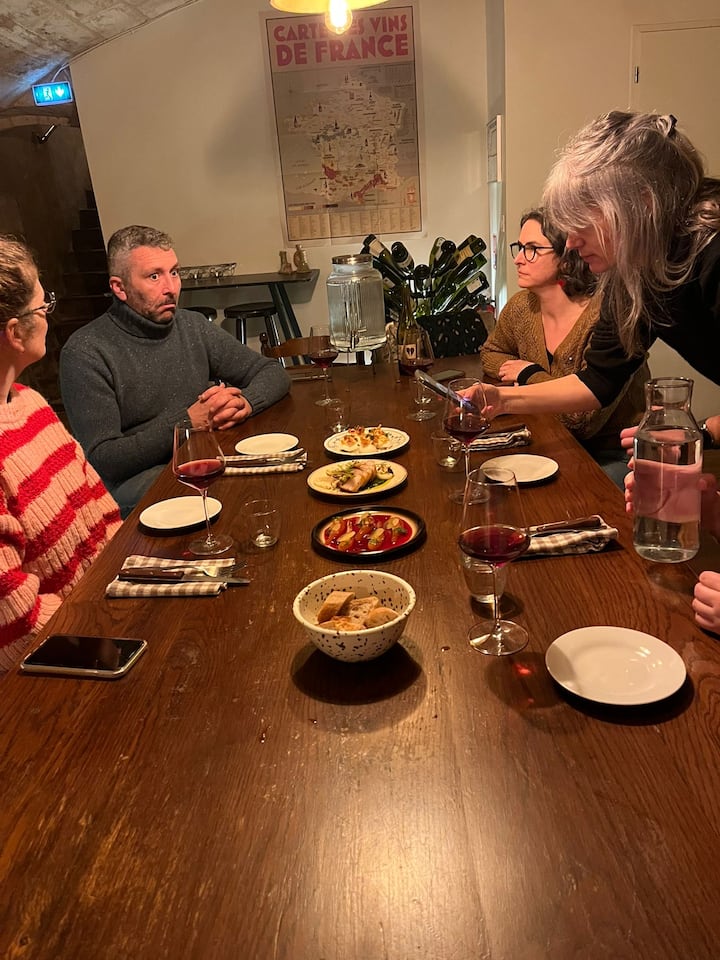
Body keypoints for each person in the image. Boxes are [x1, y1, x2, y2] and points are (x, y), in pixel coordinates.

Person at [470, 111, 720, 421]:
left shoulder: (711, 249)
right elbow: (599, 381)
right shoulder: (632, 268)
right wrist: (501, 399)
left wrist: (706, 431)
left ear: (641, 206)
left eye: (582, 224)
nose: (571, 243)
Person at [59, 226, 291, 517]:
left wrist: (245, 403)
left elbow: (272, 372)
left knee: (279, 477)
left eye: (174, 272)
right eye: (154, 276)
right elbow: (105, 459)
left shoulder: (191, 326)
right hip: (139, 480)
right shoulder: (85, 351)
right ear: (119, 288)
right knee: (236, 496)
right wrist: (187, 423)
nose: (171, 288)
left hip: (202, 454)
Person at [0, 236, 121, 671]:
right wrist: (104, 633)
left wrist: (131, 580)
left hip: (105, 619)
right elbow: (15, 617)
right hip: (60, 662)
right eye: (42, 306)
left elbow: (98, 505)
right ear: (15, 333)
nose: (49, 315)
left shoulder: (30, 402)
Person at [481, 208, 648, 485]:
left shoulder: (607, 314)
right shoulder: (522, 306)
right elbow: (492, 351)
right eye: (519, 248)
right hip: (551, 437)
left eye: (533, 249)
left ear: (567, 258)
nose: (519, 259)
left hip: (615, 453)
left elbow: (581, 421)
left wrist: (528, 374)